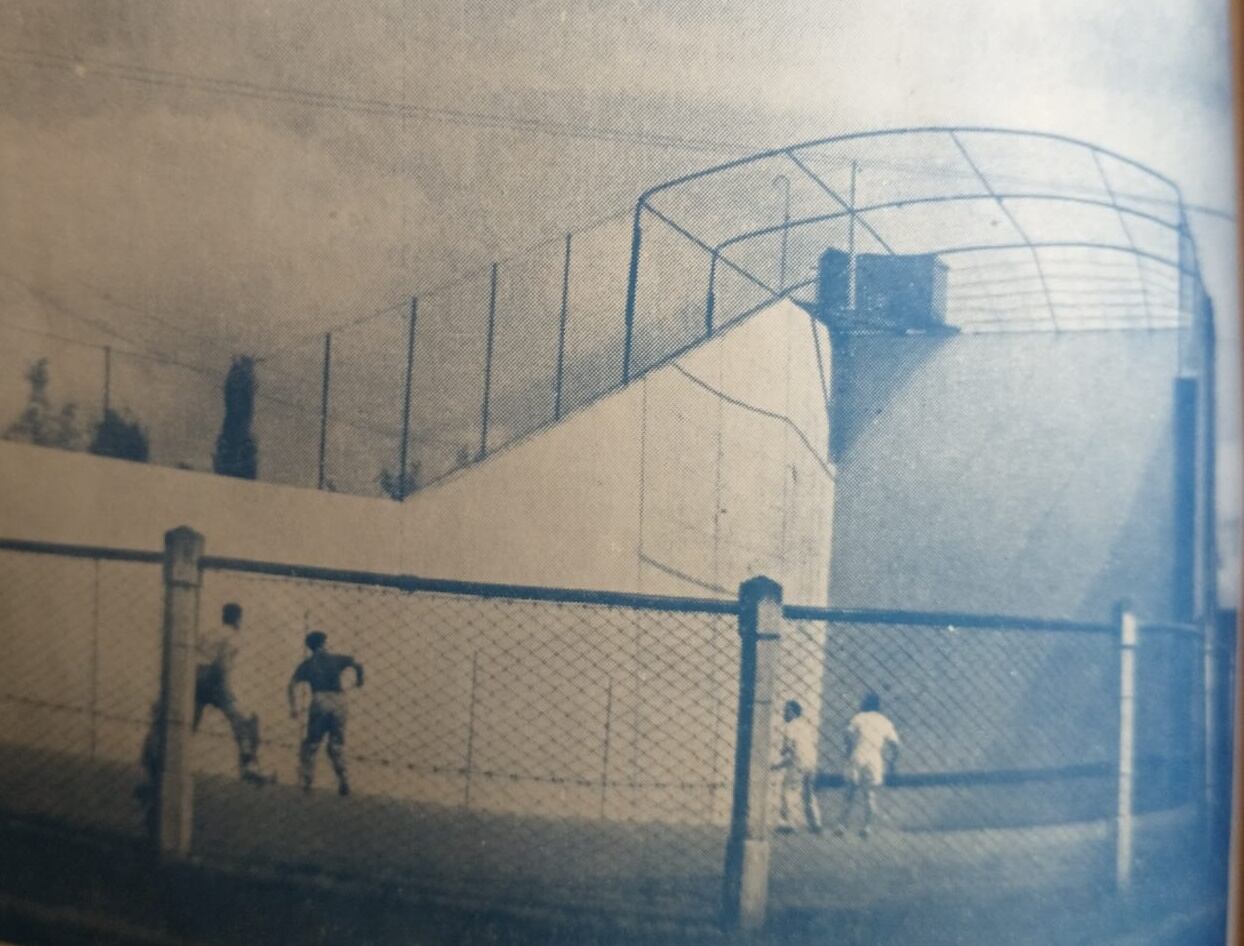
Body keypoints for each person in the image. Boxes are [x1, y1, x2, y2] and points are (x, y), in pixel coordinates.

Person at [194, 602, 269, 784]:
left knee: (187, 724)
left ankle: (159, 764)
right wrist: (226, 690)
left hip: (194, 678)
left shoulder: (210, 633)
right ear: (238, 619)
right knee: (246, 720)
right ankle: (249, 765)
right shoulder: (233, 636)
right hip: (213, 679)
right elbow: (223, 663)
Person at [288, 630, 364, 796]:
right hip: (339, 701)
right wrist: (359, 680)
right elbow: (358, 664)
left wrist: (293, 707)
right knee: (336, 744)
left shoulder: (308, 664)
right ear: (324, 643)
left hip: (320, 699)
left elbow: (292, 684)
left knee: (312, 743)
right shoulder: (336, 658)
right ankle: (343, 778)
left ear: (310, 647)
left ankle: (307, 780)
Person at [836, 691, 900, 838]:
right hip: (875, 758)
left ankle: (842, 826)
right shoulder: (884, 721)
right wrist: (893, 761)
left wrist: (848, 749)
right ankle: (867, 827)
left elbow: (847, 734)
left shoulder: (859, 717)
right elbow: (895, 744)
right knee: (870, 795)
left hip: (858, 754)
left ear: (865, 703)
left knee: (849, 793)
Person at [773, 699, 822, 834]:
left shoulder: (790, 727)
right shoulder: (805, 726)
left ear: (794, 713)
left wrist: (778, 759)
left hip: (798, 762)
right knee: (809, 794)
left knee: (788, 791)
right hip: (811, 762)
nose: (784, 714)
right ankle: (816, 823)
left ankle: (789, 823)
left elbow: (787, 748)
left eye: (787, 711)